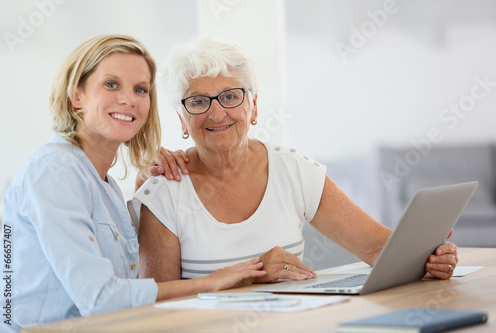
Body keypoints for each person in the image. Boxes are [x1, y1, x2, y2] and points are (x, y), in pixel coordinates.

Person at [131, 36, 458, 285]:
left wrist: (427, 255)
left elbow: (375, 248)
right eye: (199, 101)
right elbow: (156, 305)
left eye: (230, 96)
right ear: (182, 118)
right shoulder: (164, 192)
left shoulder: (293, 170)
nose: (217, 113)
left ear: (253, 106)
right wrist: (252, 275)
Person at [0, 35, 266, 333]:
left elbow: (124, 287)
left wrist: (143, 183)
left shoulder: (104, 183)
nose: (128, 99)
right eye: (111, 84)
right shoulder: (54, 171)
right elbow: (101, 299)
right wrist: (210, 283)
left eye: (140, 89)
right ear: (77, 96)